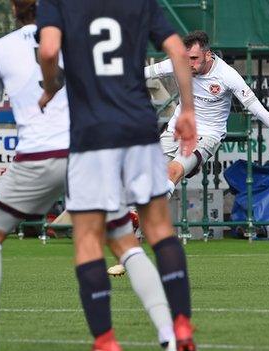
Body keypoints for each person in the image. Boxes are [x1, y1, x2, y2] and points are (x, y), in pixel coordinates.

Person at [0, 1, 178, 350]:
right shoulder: (80, 38)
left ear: (14, 7)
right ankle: (168, 334)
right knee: (124, 243)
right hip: (88, 152)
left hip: (38, 158)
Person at [37, 1, 198, 350]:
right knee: (158, 228)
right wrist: (187, 110)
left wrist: (50, 85)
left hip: (91, 135)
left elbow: (49, 50)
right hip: (138, 127)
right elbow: (177, 51)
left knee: (88, 240)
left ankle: (106, 340)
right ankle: (182, 323)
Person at [146, 30, 269, 198]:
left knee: (173, 170)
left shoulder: (227, 75)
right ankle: (135, 217)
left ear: (207, 55)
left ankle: (152, 217)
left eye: (194, 58)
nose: (189, 63)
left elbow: (258, 110)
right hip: (176, 130)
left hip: (207, 136)